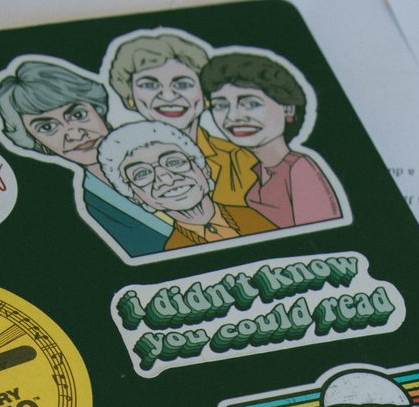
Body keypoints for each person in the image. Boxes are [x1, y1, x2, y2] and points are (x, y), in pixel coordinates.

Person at [0, 57, 169, 258]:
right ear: (37, 141)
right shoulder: (91, 205)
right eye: (47, 127)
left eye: (77, 114)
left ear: (97, 109)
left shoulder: (169, 146)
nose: (74, 134)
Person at [106, 29, 258, 210]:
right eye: (149, 85)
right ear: (130, 96)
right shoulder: (118, 167)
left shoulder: (240, 159)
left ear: (206, 94)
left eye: (182, 84)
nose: (168, 96)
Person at [202, 50, 343, 230]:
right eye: (220, 105)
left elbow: (325, 237)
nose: (233, 116)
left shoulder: (300, 169)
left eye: (251, 104)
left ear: (288, 109)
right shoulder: (257, 171)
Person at [99, 120, 276, 252]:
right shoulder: (173, 250)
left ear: (203, 169)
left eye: (174, 162)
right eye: (142, 174)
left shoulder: (251, 216)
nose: (166, 179)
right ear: (136, 197)